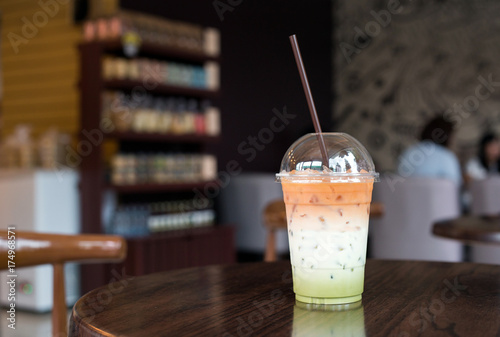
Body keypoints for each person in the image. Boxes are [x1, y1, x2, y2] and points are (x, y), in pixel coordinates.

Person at [397, 116, 462, 187]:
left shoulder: (408, 152)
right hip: (435, 197)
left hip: (406, 197)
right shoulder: (447, 157)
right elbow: (455, 188)